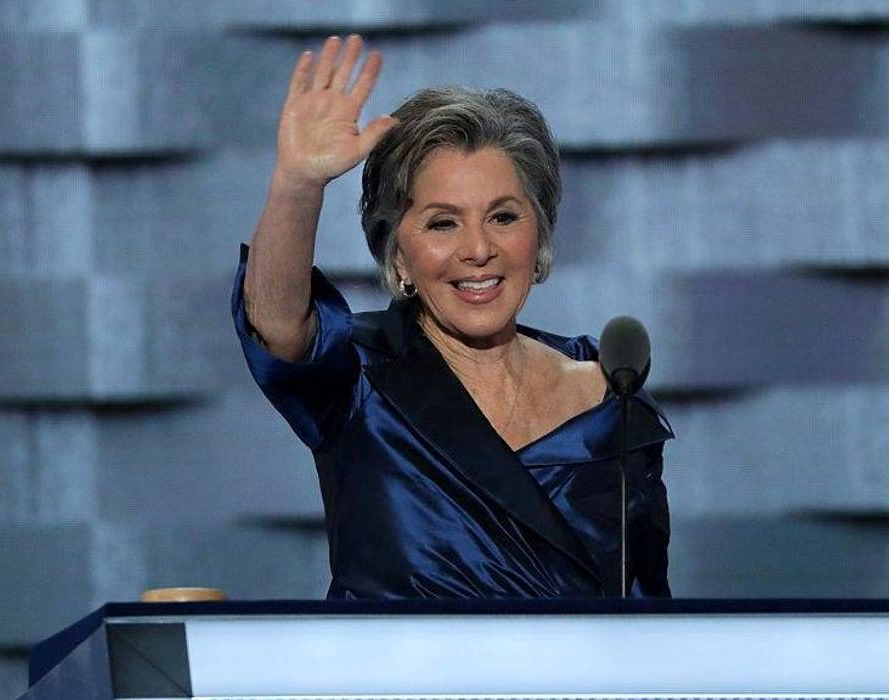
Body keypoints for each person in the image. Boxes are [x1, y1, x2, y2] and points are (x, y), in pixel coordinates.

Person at [232, 35, 673, 598]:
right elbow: (276, 324)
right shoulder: (357, 376)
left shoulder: (612, 396)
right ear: (398, 253)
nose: (479, 249)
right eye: (443, 223)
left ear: (538, 232)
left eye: (503, 216)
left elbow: (650, 612)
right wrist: (297, 183)